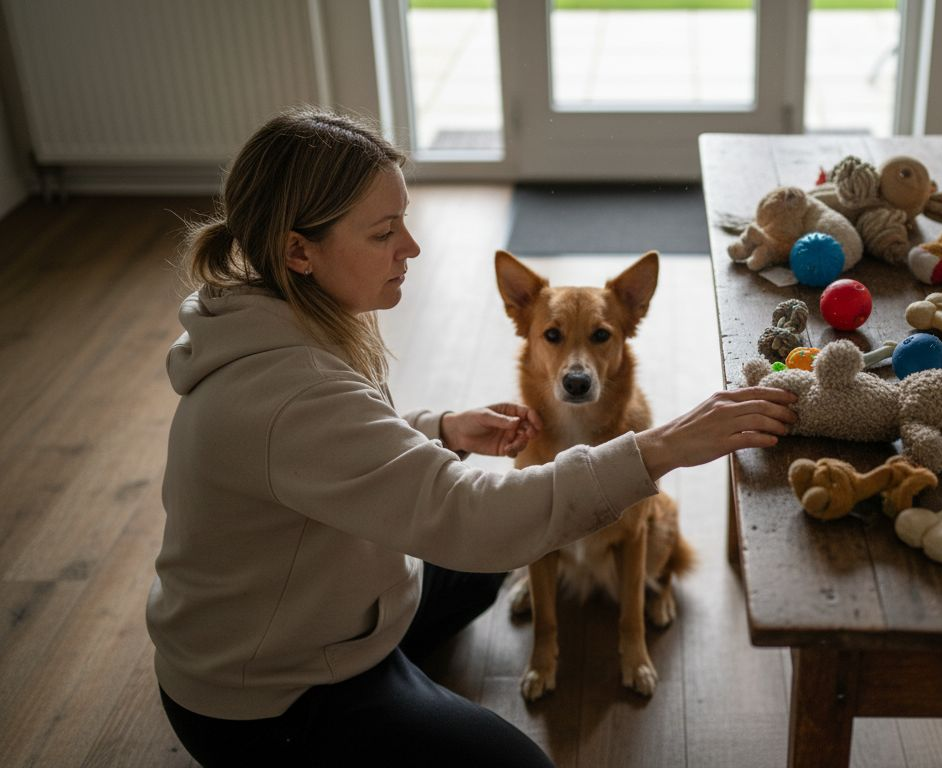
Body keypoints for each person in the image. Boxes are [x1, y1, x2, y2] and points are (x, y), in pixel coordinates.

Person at [146, 106, 797, 767]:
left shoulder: (286, 314)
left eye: (404, 220)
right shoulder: (289, 391)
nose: (412, 246)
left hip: (318, 599)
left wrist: (441, 430)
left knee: (478, 576)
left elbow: (333, 449)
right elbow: (471, 516)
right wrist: (662, 447)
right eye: (383, 232)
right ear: (298, 250)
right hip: (270, 696)